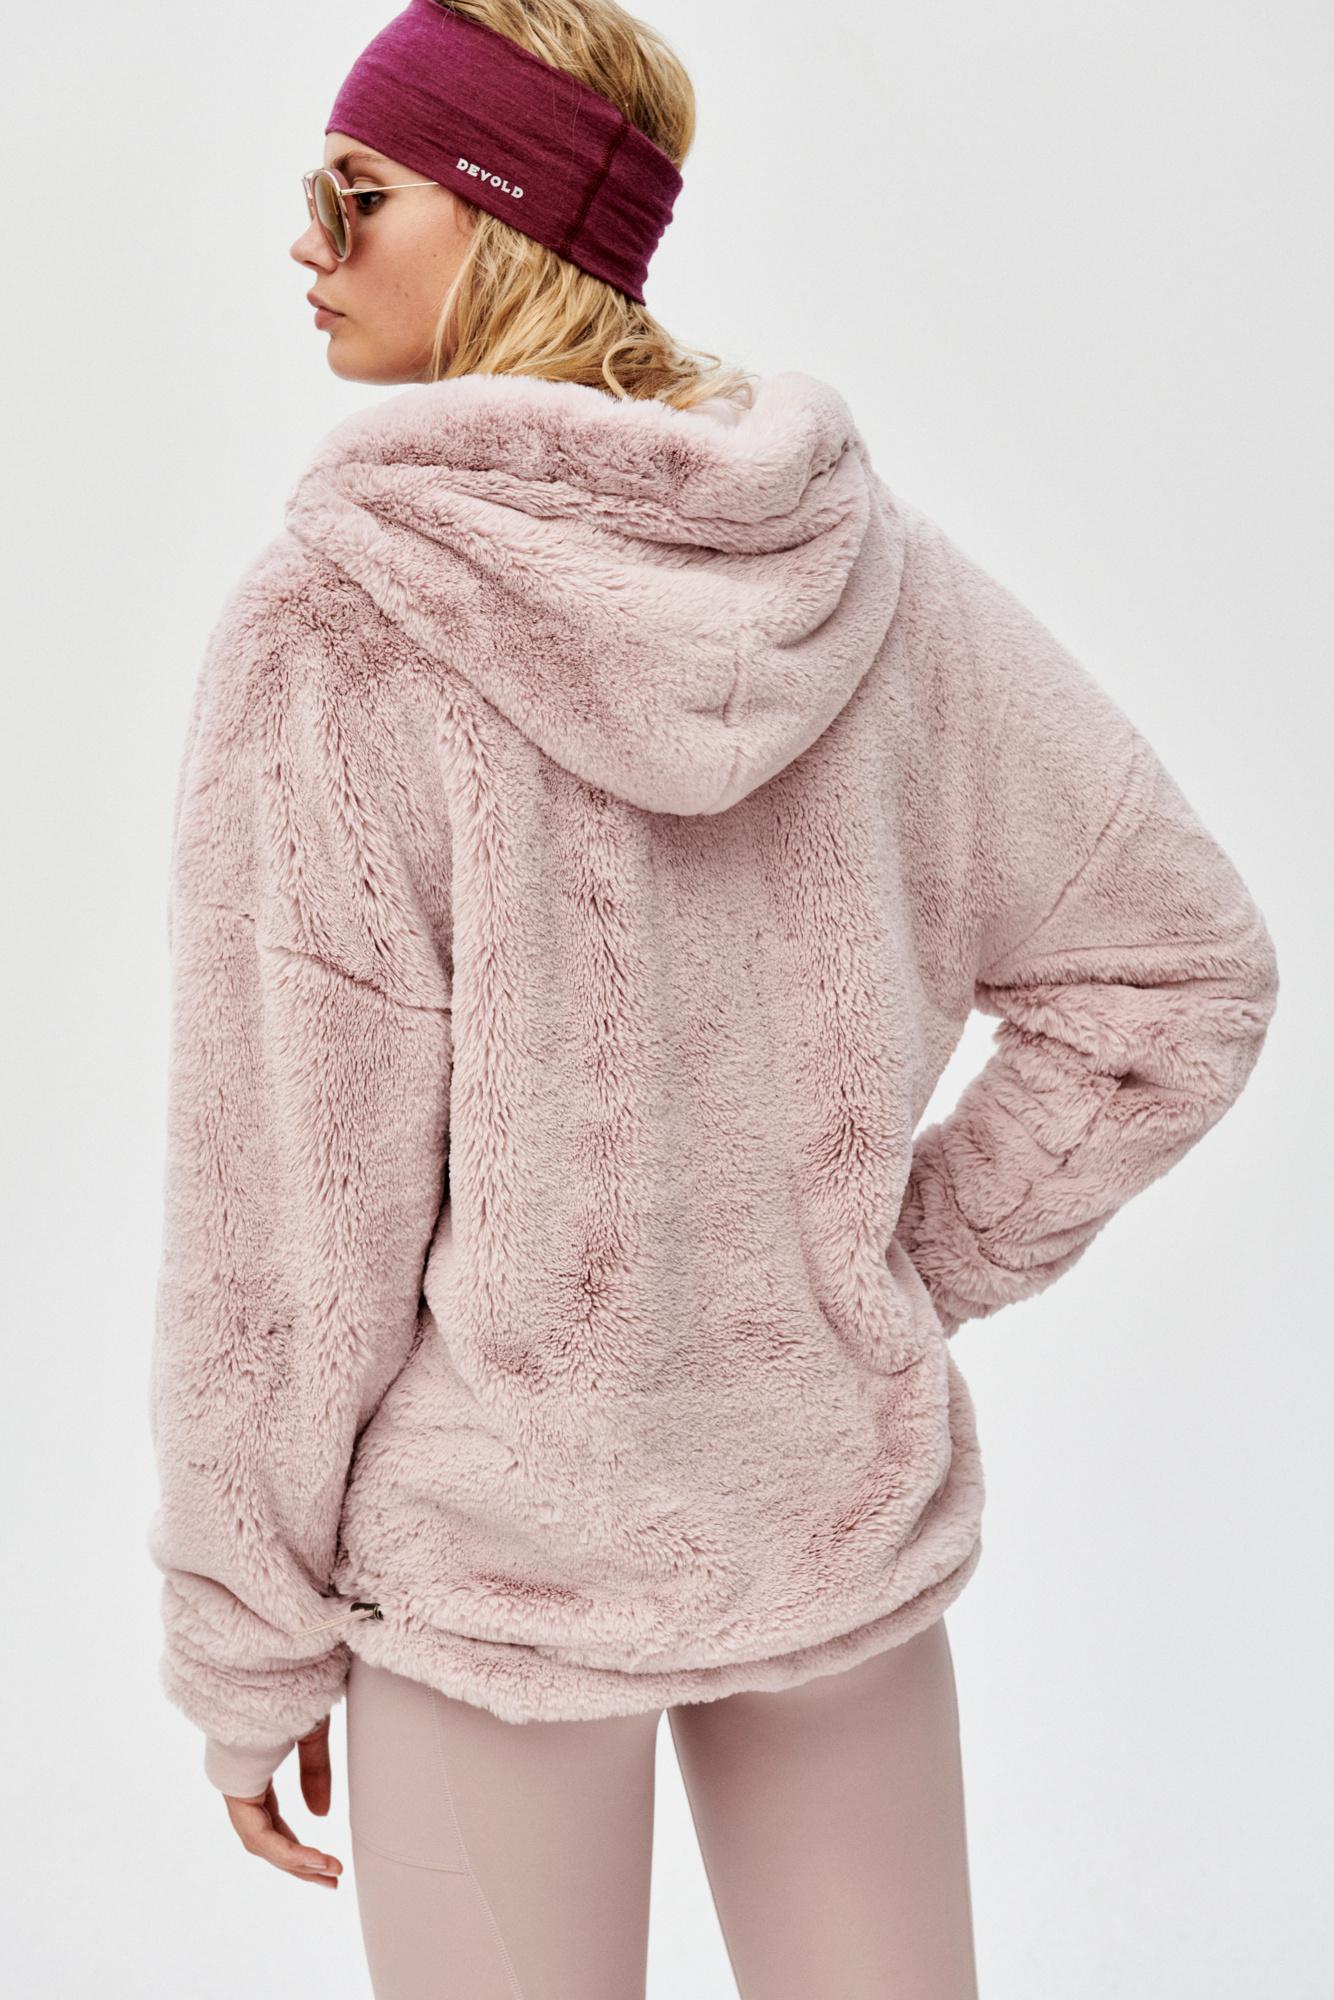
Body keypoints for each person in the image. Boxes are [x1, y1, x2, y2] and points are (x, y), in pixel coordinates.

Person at [144, 3, 1280, 1995]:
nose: (306, 243)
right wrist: (861, 1284)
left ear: (500, 220)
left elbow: (287, 1217)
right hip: (822, 1516)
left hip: (498, 1580)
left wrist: (245, 1645)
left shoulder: (340, 622)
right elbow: (1175, 971)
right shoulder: (874, 582)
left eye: (359, 193)